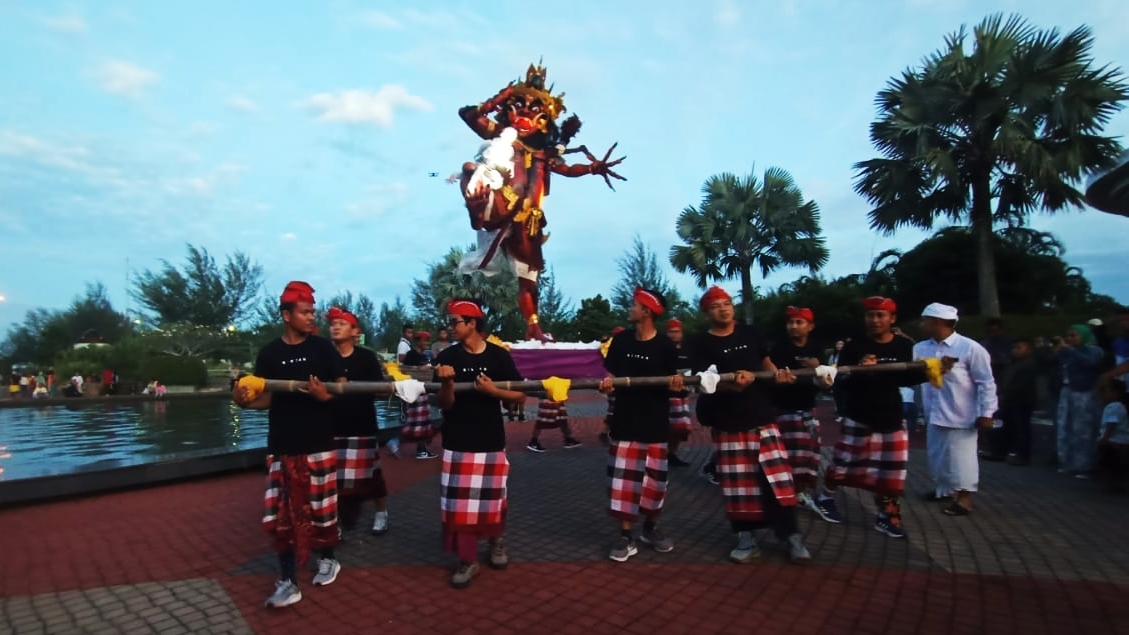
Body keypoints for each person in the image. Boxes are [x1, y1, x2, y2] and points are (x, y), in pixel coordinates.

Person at [233, 281, 346, 609]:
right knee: (282, 516)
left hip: (319, 444)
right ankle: (288, 581)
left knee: (322, 512)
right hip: (282, 447)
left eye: (313, 311)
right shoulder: (269, 354)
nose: (313, 317)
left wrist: (326, 396)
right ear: (286, 315)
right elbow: (264, 400)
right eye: (306, 312)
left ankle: (328, 558)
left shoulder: (323, 349)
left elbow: (341, 389)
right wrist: (242, 402)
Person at [691, 287, 814, 563]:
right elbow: (704, 381)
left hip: (762, 417)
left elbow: (766, 363)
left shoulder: (750, 333)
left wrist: (777, 375)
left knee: (778, 480)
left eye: (727, 303)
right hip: (727, 421)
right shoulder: (700, 343)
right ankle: (745, 536)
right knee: (738, 485)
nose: (723, 309)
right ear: (706, 312)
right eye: (715, 306)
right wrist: (731, 383)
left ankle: (791, 535)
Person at [813, 297, 932, 538]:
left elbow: (907, 379)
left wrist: (930, 372)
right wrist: (861, 370)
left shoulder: (903, 345)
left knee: (892, 472)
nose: (875, 320)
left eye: (880, 315)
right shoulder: (854, 346)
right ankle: (825, 497)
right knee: (843, 464)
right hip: (859, 416)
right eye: (871, 315)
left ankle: (887, 515)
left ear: (892, 318)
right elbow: (841, 381)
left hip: (892, 417)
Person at [433, 299, 525, 588]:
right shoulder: (447, 357)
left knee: (493, 498)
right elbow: (445, 405)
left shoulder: (499, 356)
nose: (451, 327)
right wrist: (447, 384)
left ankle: (496, 543)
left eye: (456, 322)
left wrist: (493, 390)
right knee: (460, 505)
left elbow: (519, 396)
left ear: (473, 324)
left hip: (490, 439)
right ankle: (467, 559)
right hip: (457, 440)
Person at [599, 287, 682, 562]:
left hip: (656, 425)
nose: (629, 308)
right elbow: (609, 372)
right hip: (624, 423)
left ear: (647, 311)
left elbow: (676, 383)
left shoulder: (665, 347)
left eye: (634, 305)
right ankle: (626, 536)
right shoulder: (621, 341)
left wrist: (678, 383)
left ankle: (650, 528)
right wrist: (607, 383)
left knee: (654, 484)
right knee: (623, 484)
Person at [913, 303, 997, 516]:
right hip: (934, 411)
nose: (921, 324)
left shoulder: (969, 347)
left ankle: (965, 499)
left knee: (962, 458)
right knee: (937, 456)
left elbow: (986, 382)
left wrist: (986, 413)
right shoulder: (921, 348)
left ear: (937, 322)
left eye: (925, 320)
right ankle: (944, 491)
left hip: (962, 413)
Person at [326, 307, 391, 537]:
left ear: (355, 331)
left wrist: (349, 385)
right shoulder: (325, 357)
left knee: (371, 476)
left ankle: (381, 513)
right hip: (332, 426)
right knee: (333, 479)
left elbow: (378, 389)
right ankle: (337, 522)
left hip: (361, 424)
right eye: (332, 323)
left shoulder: (366, 357)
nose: (335, 327)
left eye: (341, 323)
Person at [769, 306, 829, 518]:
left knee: (809, 455)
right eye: (790, 322)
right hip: (784, 408)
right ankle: (784, 494)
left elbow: (826, 382)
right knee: (787, 455)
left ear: (810, 326)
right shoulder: (779, 349)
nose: (793, 326)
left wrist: (817, 366)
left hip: (808, 407)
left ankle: (800, 492)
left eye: (799, 322)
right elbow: (771, 379)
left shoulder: (817, 348)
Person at [1053, 324, 1106, 478]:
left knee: (1083, 430)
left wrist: (1070, 350)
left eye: (1074, 336)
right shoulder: (1068, 351)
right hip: (1067, 391)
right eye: (1068, 336)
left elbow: (1091, 363)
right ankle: (1067, 462)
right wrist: (1057, 351)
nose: (1070, 339)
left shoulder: (1094, 350)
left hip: (1085, 393)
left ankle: (1085, 466)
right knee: (1065, 427)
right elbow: (1052, 363)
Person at [996, 339, 1039, 465]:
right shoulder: (1012, 363)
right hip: (1009, 400)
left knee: (1021, 429)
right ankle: (1001, 452)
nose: (1015, 350)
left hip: (1022, 401)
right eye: (1014, 347)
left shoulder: (1030, 364)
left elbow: (1022, 384)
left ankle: (1023, 455)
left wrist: (1007, 391)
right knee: (1007, 427)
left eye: (1019, 347)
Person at [666, 318, 694, 467]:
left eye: (677, 332)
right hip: (665, 395)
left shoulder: (688, 349)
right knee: (666, 428)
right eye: (671, 331)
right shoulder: (661, 349)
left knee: (682, 429)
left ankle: (671, 453)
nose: (674, 334)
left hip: (683, 395)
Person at [1097, 377, 1129, 491]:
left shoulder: (1115, 406)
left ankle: (1111, 482)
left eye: (1107, 391)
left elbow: (1112, 424)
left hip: (1117, 441)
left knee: (1106, 454)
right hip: (1119, 440)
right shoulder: (1116, 406)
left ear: (1115, 393)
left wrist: (1105, 438)